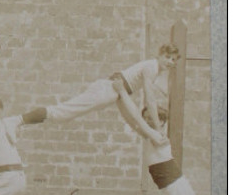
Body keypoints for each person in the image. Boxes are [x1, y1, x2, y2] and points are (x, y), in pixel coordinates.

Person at [21, 44, 180, 131]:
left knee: (64, 115)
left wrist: (137, 127)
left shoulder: (155, 71)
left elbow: (125, 97)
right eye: (167, 57)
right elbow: (150, 99)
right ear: (159, 55)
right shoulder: (151, 67)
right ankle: (18, 120)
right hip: (107, 90)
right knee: (62, 112)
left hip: (111, 92)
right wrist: (158, 129)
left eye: (173, 60)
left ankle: (21, 122)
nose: (170, 62)